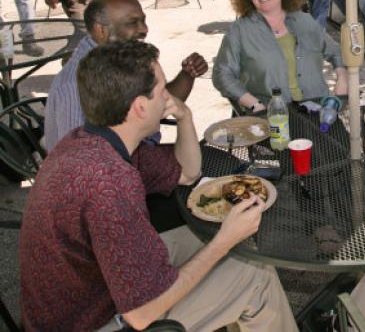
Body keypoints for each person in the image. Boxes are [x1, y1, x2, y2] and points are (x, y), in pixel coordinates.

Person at [20, 40, 298, 331]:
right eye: (163, 90)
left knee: (227, 245)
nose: (169, 97)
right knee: (255, 275)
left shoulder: (92, 140)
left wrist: (185, 116)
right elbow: (141, 314)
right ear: (140, 107)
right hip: (94, 320)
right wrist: (223, 242)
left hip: (96, 288)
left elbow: (188, 173)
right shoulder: (109, 182)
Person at [43, 0, 208, 151]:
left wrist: (187, 75)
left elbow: (161, 104)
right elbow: (76, 159)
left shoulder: (122, 59)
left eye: (143, 20)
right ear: (101, 30)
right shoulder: (75, 84)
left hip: (139, 156)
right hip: (109, 172)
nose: (144, 29)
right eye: (132, 23)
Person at [213, 0, 346, 113]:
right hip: (272, 116)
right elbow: (222, 74)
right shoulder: (240, 30)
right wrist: (254, 104)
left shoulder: (304, 21)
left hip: (318, 110)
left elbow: (335, 51)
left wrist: (342, 76)